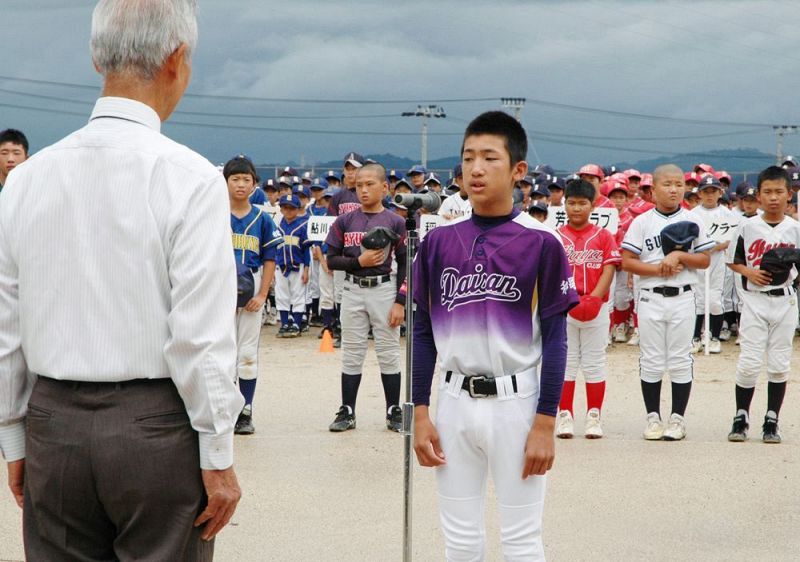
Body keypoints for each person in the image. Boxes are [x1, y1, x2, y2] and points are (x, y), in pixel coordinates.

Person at [0, 1, 243, 559]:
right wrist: (218, 455)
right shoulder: (189, 178)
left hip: (53, 421)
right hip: (153, 429)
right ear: (177, 59)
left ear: (95, 58)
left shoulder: (29, 179)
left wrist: (14, 435)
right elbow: (200, 336)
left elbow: (7, 325)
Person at [413, 111, 578, 560]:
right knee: (460, 541)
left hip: (517, 404)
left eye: (490, 157)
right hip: (453, 403)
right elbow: (424, 332)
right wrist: (420, 410)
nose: (476, 169)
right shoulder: (436, 242)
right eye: (468, 158)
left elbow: (557, 338)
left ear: (518, 170)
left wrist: (547, 419)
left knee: (522, 541)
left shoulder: (542, 242)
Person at [621, 164, 714, 441]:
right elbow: (627, 261)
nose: (673, 189)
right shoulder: (642, 222)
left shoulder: (693, 219)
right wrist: (659, 267)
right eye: (667, 184)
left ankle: (677, 418)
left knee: (679, 359)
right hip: (651, 296)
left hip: (683, 296)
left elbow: (705, 259)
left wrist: (680, 257)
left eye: (678, 184)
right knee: (650, 359)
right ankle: (653, 417)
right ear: (653, 190)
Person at [325, 162, 407, 433]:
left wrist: (401, 301)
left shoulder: (395, 221)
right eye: (359, 185)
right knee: (352, 351)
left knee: (388, 351)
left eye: (370, 184)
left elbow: (406, 262)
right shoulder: (345, 220)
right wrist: (358, 261)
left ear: (385, 187)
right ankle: (347, 410)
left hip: (384, 288)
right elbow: (331, 260)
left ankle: (393, 410)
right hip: (353, 288)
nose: (363, 190)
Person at [726, 166, 800, 444]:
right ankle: (741, 415)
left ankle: (771, 419)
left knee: (780, 363)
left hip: (784, 301)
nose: (773, 197)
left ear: (789, 194)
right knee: (748, 362)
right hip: (755, 300)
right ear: (757, 195)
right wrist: (749, 272)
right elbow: (733, 260)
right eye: (767, 192)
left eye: (779, 191)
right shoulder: (746, 226)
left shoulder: (794, 229)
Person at [556, 179, 620, 439]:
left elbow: (610, 266)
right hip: (565, 306)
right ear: (565, 204)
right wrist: (569, 298)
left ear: (593, 205)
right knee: (566, 363)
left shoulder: (603, 235)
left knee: (594, 362)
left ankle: (594, 415)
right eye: (572, 203)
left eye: (582, 203)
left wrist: (594, 297)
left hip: (596, 306)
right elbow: (552, 272)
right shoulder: (556, 235)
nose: (577, 208)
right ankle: (565, 414)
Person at [227, 156, 280, 434]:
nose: (240, 184)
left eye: (246, 179)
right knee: (220, 351)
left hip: (251, 282)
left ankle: (245, 410)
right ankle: (224, 407)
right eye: (234, 178)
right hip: (219, 286)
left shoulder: (262, 218)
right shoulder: (214, 214)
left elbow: (270, 257)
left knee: (246, 352)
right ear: (225, 183)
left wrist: (262, 293)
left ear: (254, 184)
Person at [689, 175, 736, 354]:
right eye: (706, 192)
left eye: (713, 191)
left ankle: (714, 337)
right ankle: (695, 338)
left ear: (719, 192)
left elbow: (731, 239)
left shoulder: (727, 214)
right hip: (698, 260)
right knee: (697, 300)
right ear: (700, 193)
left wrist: (715, 247)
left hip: (718, 261)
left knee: (715, 300)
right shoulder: (693, 214)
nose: (709, 195)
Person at [274, 194, 311, 338]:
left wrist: (307, 269)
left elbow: (306, 250)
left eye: (292, 208)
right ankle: (284, 323)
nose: (288, 211)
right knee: (282, 295)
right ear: (281, 209)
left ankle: (296, 323)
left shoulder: (302, 225)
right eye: (285, 208)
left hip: (298, 265)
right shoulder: (277, 225)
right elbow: (272, 248)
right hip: (280, 265)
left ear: (297, 209)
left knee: (298, 295)